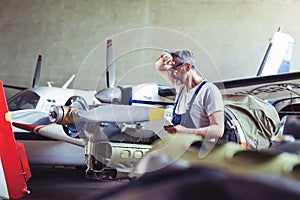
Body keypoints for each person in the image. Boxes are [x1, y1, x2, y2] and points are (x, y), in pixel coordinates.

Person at [155, 49, 224, 139]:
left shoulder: (209, 91)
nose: (171, 74)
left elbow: (218, 130)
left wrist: (187, 132)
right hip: (181, 148)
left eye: (173, 69)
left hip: (200, 151)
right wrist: (163, 58)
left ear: (187, 67)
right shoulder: (180, 87)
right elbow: (159, 67)